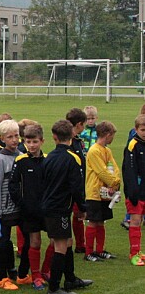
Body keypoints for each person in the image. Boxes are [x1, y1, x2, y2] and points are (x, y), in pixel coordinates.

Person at [41, 120, 92, 294]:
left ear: (54, 137)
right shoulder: (73, 158)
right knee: (60, 246)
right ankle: (54, 287)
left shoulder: (48, 158)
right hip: (60, 208)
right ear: (71, 136)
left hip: (48, 206)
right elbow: (76, 187)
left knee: (67, 242)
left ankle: (70, 279)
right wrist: (82, 207)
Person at [9, 123, 50, 289]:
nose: (31, 145)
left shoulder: (48, 160)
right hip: (29, 210)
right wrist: (22, 203)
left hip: (47, 209)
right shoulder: (20, 161)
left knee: (55, 240)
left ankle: (46, 270)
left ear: (42, 141)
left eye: (35, 142)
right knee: (35, 242)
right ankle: (36, 276)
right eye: (28, 142)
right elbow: (13, 185)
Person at [0, 120, 22, 291]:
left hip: (19, 206)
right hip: (4, 208)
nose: (14, 140)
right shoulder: (0, 159)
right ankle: (3, 277)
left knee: (14, 241)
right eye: (10, 137)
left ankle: (15, 271)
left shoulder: (20, 154)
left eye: (16, 136)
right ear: (2, 139)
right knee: (3, 240)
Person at [83, 122, 120, 262]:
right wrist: (113, 182)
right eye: (113, 135)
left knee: (101, 221)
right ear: (107, 134)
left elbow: (114, 168)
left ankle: (99, 250)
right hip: (94, 192)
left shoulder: (107, 150)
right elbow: (101, 171)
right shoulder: (94, 151)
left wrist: (115, 182)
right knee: (92, 221)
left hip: (106, 193)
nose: (113, 138)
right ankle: (88, 252)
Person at [122, 114, 145, 266]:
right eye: (143, 129)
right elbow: (128, 171)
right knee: (135, 221)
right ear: (136, 129)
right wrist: (132, 192)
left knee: (141, 221)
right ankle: (133, 253)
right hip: (136, 192)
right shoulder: (132, 145)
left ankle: (138, 251)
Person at [66, 107, 88, 253]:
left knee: (78, 213)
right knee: (76, 213)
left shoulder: (77, 141)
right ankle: (75, 243)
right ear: (79, 124)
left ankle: (80, 244)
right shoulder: (70, 142)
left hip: (78, 182)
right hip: (71, 184)